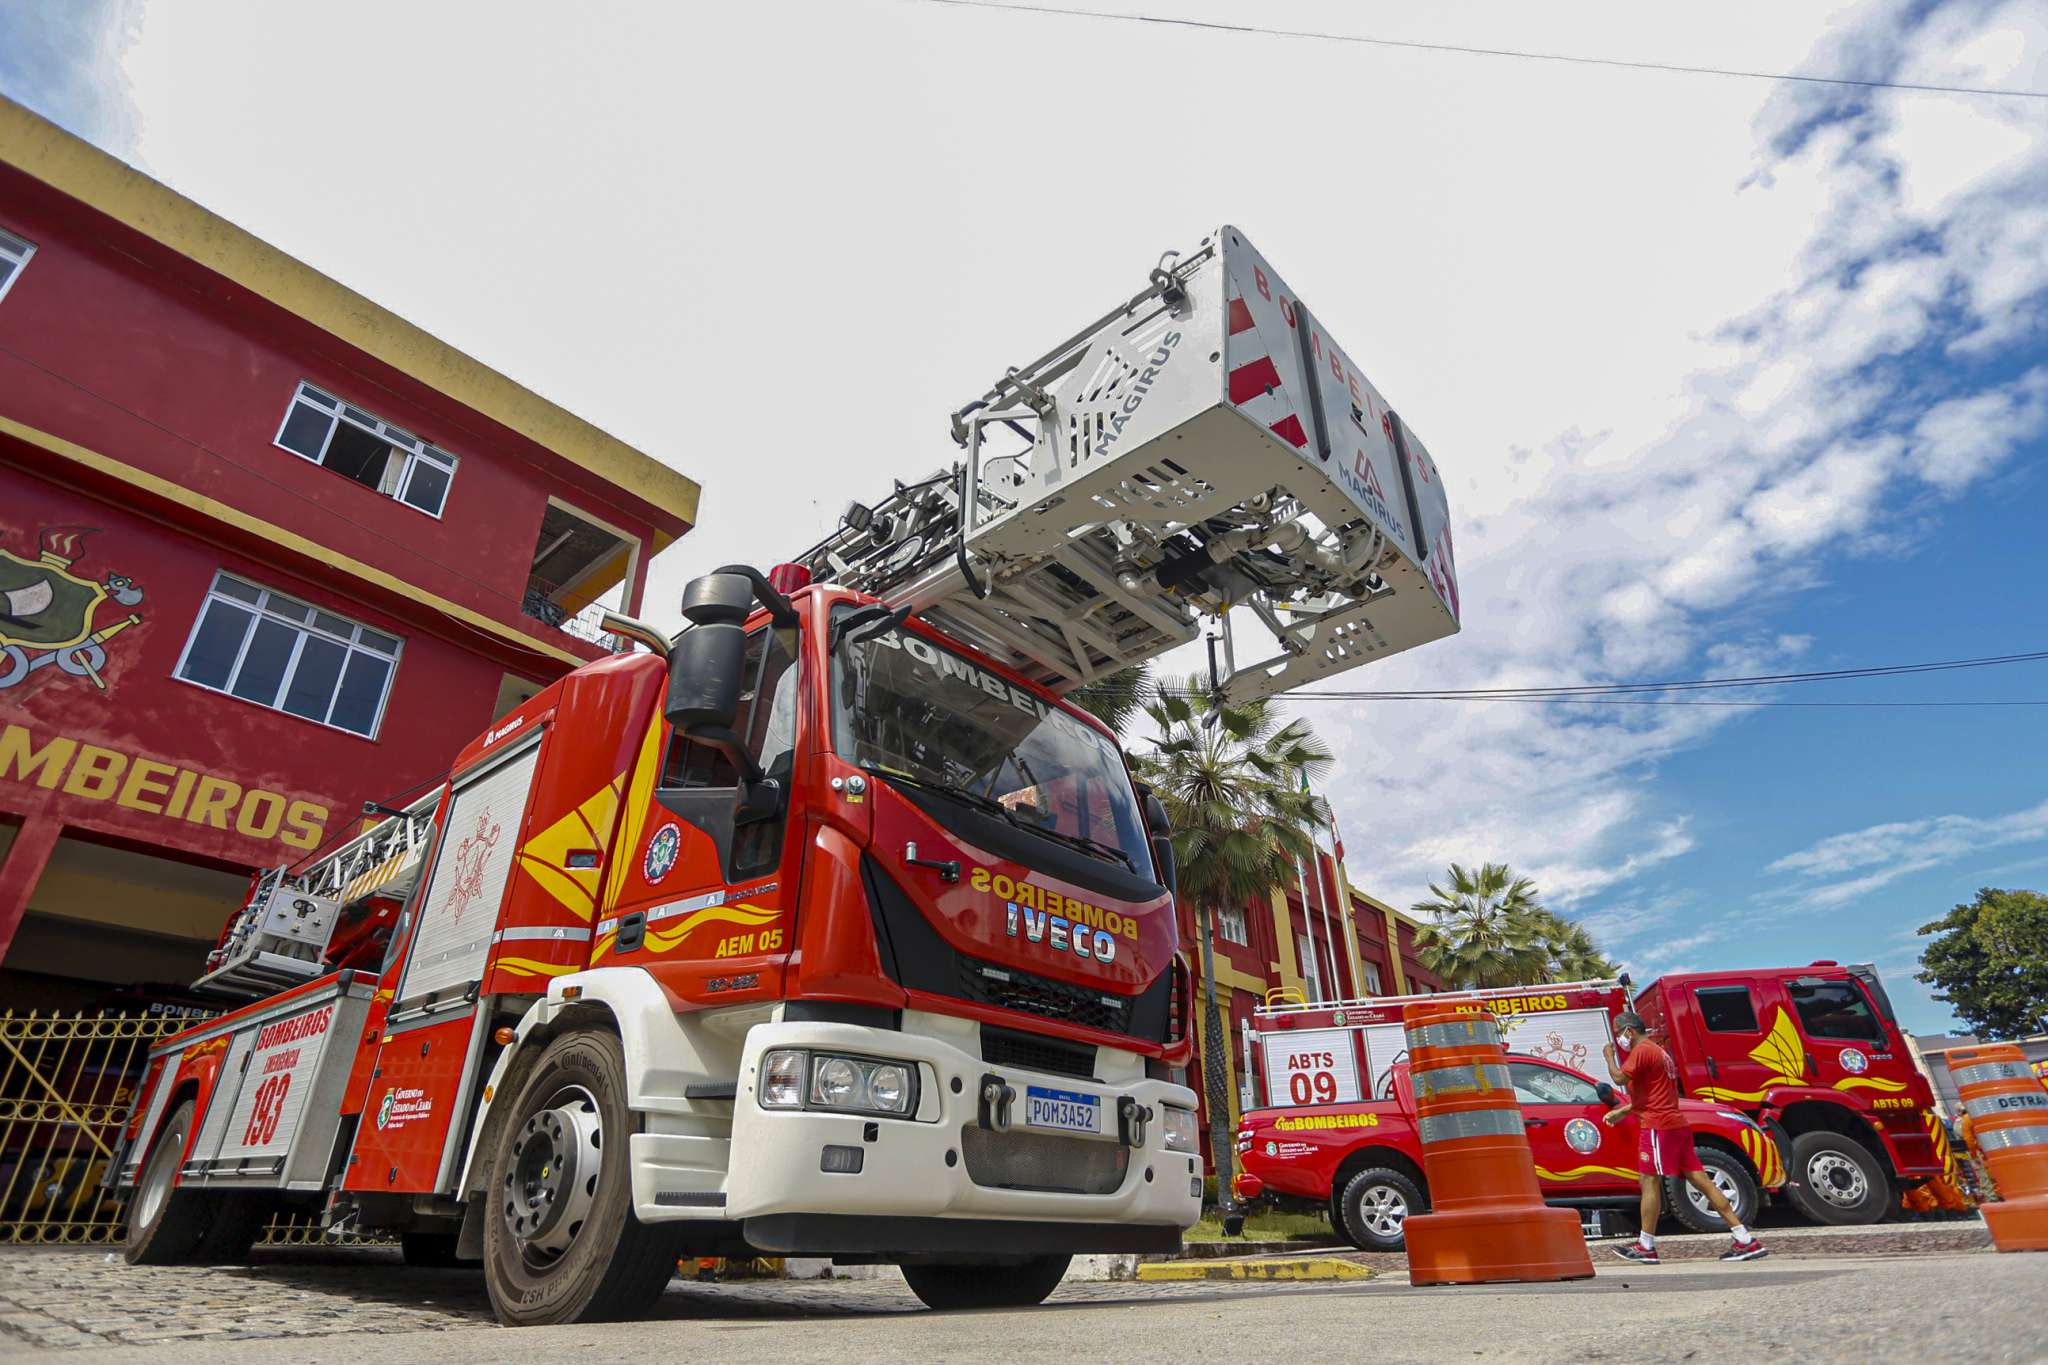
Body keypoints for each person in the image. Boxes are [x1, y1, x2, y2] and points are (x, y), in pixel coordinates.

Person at [1602, 1011, 1768, 1264]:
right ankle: (1744, 1238)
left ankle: (1646, 1245)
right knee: (1701, 1180)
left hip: (1658, 1126)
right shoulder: (1659, 1053)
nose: (1618, 1038)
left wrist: (1608, 1057)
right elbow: (1654, 1094)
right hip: (1676, 1124)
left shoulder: (1642, 1051)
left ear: (1629, 1031)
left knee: (1649, 1181)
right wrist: (1624, 1111)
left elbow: (1618, 1078)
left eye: (1618, 1032)